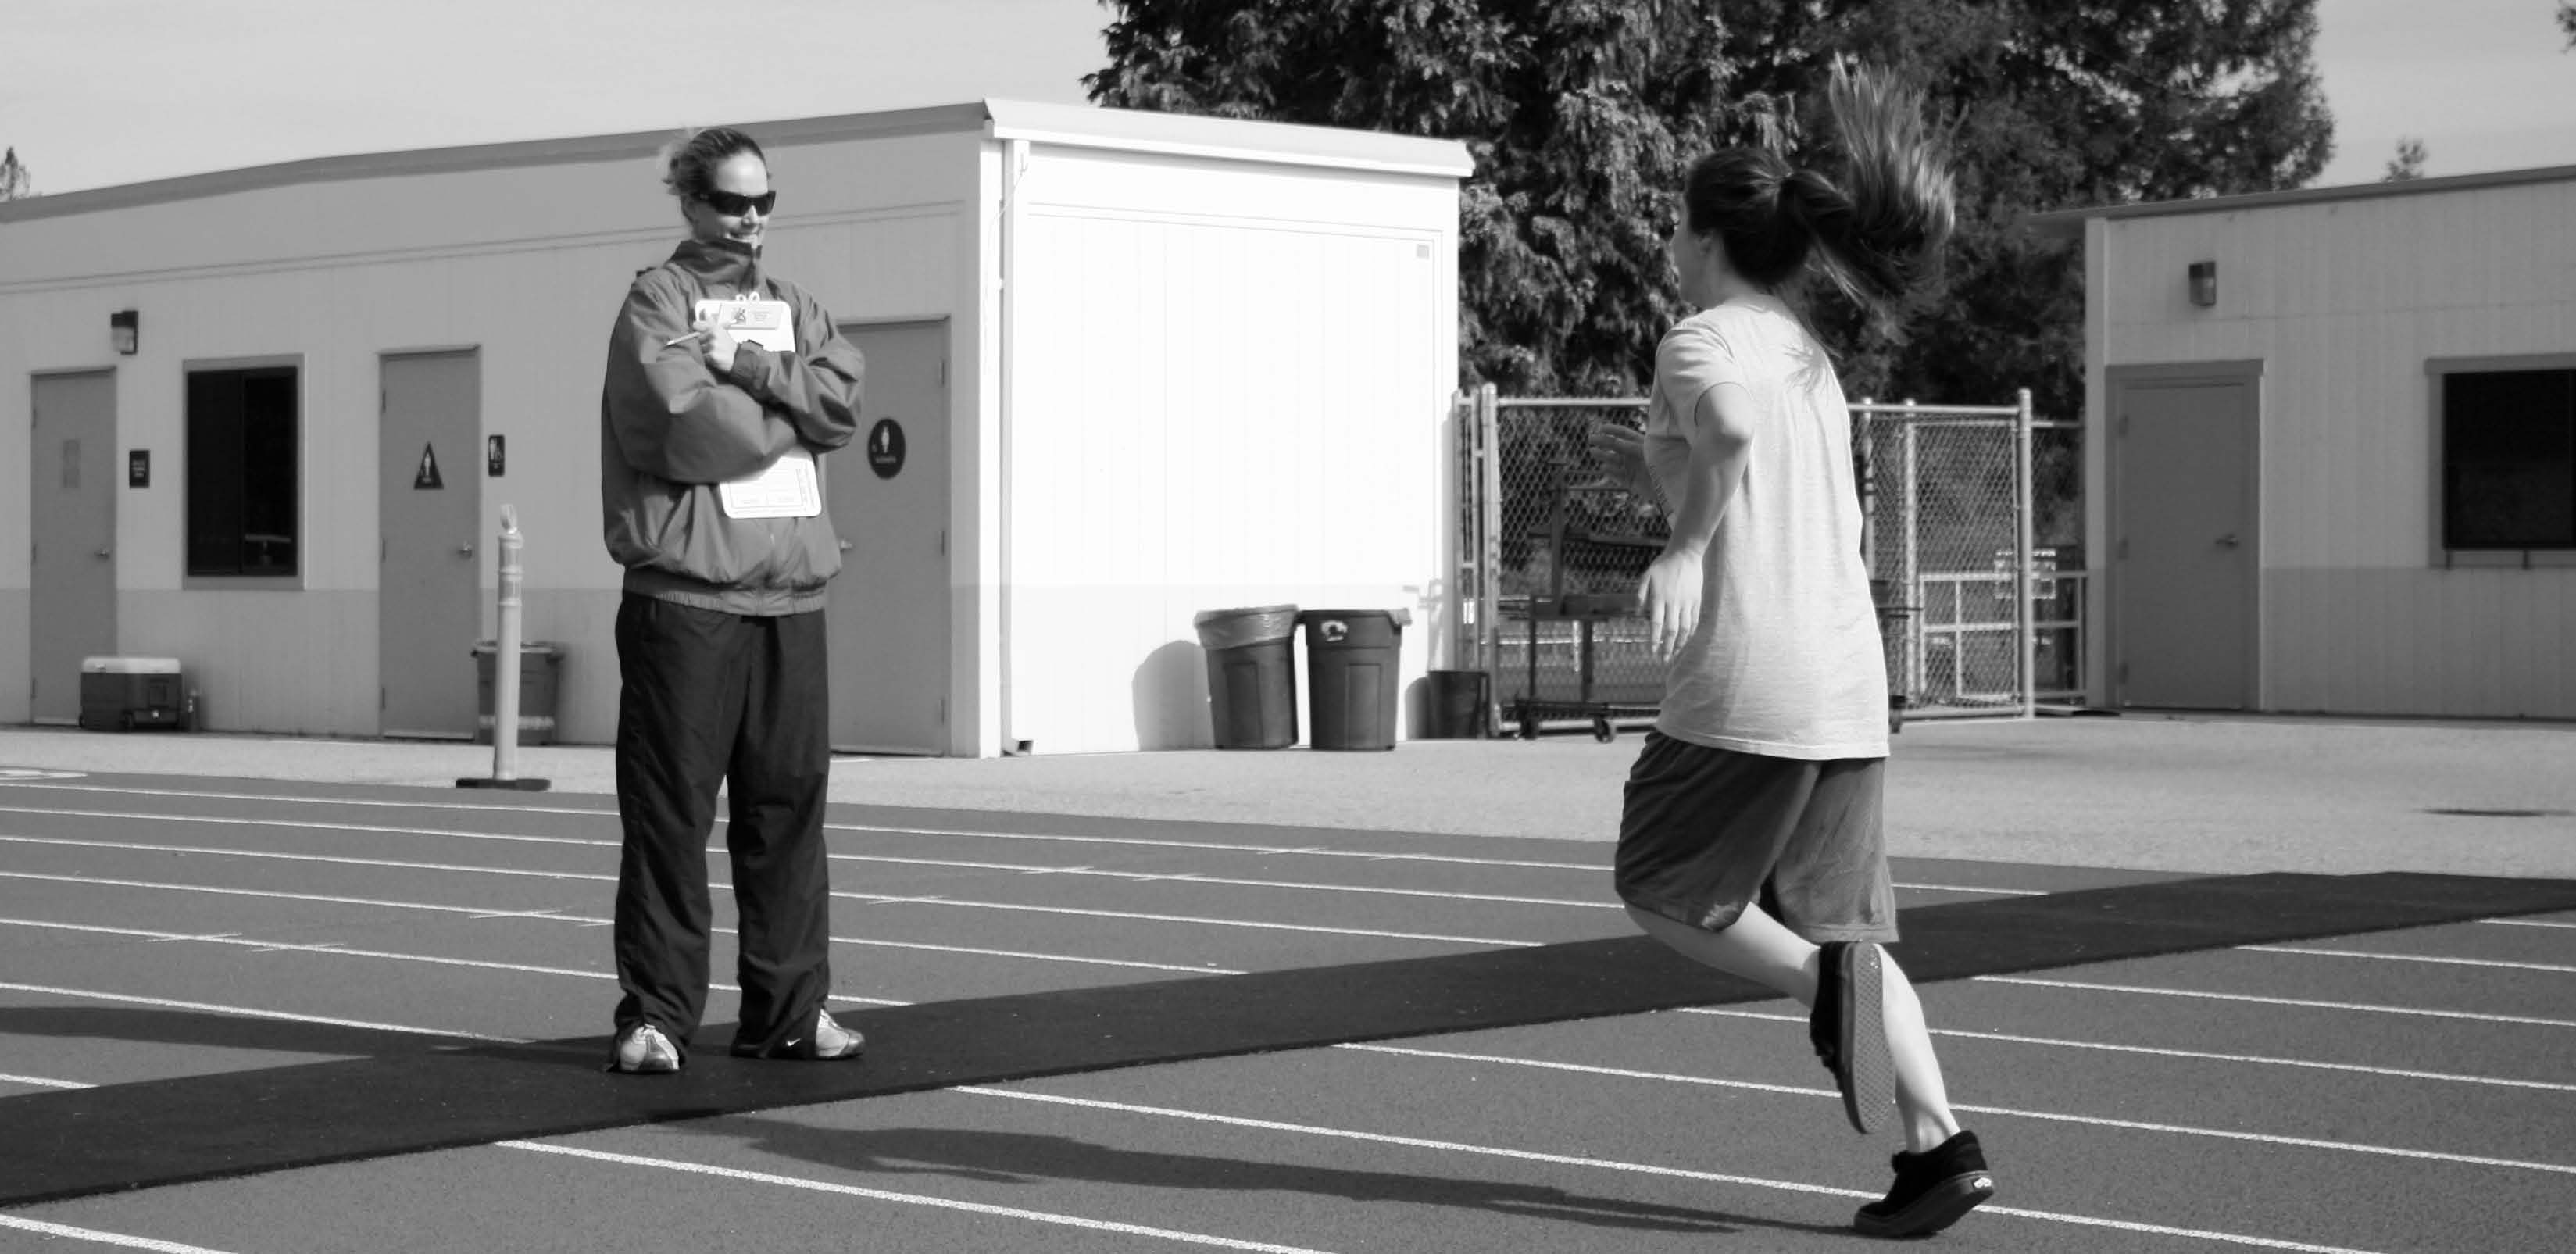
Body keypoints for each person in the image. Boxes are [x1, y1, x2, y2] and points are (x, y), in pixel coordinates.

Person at [1585, 65, 1993, 1238]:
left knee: (1664, 890)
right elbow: (1758, 465)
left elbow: (1726, 427)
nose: (1668, 241)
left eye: (1673, 223)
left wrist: (1683, 548)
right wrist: (1658, 482)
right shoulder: (1810, 354)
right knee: (1846, 931)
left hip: (1748, 681)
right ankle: (1939, 1149)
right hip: (1846, 682)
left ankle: (1827, 994)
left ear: (1708, 236)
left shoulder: (1700, 337)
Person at [597, 125, 867, 1074]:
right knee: (673, 816)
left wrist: (751, 368)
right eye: (731, 201)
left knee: (789, 813)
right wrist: (789, 416)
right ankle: (658, 1019)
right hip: (690, 601)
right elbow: (687, 431)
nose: (749, 219)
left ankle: (790, 1013)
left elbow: (841, 405)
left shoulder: (793, 305)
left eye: (764, 201)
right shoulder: (657, 301)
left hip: (792, 600)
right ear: (690, 201)